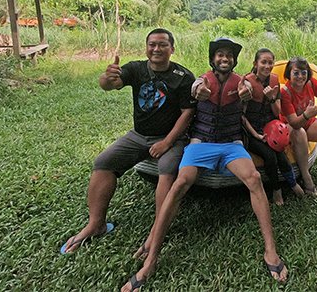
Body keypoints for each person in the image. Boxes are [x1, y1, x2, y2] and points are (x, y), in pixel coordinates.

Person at [121, 38, 287, 291]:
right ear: (213, 59)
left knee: (253, 179)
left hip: (231, 145)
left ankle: (270, 250)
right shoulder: (202, 80)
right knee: (180, 184)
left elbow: (248, 93)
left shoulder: (242, 83)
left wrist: (246, 95)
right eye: (220, 55)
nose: (225, 59)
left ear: (234, 61)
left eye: (229, 56)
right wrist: (199, 91)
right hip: (201, 144)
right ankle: (151, 259)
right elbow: (196, 89)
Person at [60, 28, 195, 254]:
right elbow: (108, 85)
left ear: (172, 49)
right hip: (138, 135)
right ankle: (96, 224)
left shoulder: (182, 77)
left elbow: (187, 113)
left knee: (167, 169)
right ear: (146, 47)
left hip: (171, 137)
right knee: (104, 162)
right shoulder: (136, 68)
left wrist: (167, 142)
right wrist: (106, 77)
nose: (156, 49)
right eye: (152, 44)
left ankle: (156, 231)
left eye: (162, 44)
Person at [243, 48, 304, 205]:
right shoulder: (247, 83)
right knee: (270, 156)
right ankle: (276, 190)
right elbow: (241, 115)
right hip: (251, 130)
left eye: (270, 62)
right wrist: (255, 135)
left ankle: (292, 184)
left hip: (270, 127)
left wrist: (271, 99)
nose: (267, 66)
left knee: (281, 155)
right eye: (263, 62)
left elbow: (277, 113)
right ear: (255, 64)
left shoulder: (274, 81)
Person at [279, 56, 317, 196]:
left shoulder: (311, 83)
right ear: (288, 74)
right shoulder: (285, 93)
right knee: (299, 131)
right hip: (289, 127)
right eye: (296, 73)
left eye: (304, 73)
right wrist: (307, 114)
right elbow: (294, 122)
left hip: (308, 123)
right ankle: (307, 179)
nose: (300, 77)